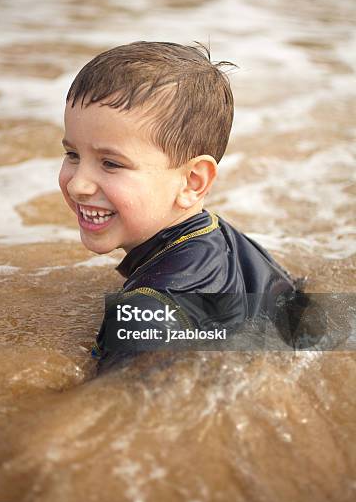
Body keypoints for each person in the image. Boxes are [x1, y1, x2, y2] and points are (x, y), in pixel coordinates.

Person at [59, 41, 298, 372]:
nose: (77, 184)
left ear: (192, 182)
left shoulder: (143, 313)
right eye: (73, 155)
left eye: (111, 163)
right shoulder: (222, 240)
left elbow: (116, 411)